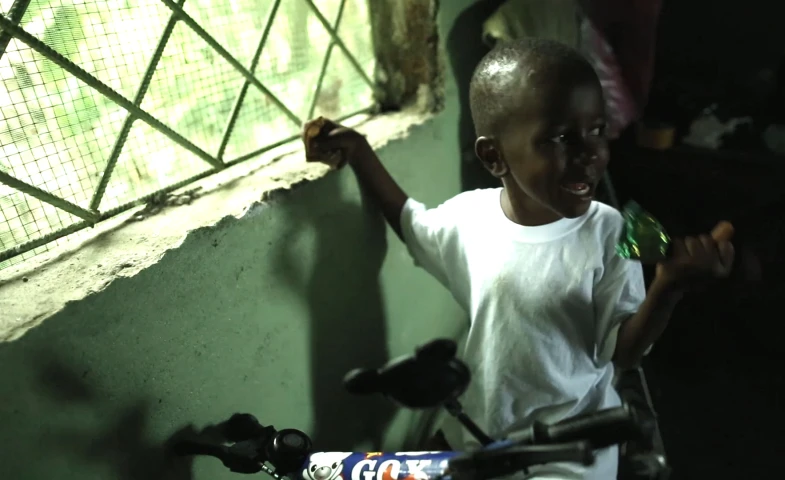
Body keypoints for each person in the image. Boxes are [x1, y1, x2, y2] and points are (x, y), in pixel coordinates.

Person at [302, 38, 734, 479]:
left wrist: (667, 287)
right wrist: (359, 151)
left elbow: (623, 354)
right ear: (494, 157)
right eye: (562, 138)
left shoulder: (611, 231)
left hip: (569, 449)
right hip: (478, 431)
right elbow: (411, 224)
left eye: (598, 130)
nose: (591, 154)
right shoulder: (469, 219)